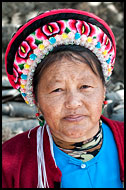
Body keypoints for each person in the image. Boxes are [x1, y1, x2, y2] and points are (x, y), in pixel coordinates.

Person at [2, 9, 124, 188]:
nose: (73, 102)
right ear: (36, 101)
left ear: (104, 90)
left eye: (85, 87)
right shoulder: (10, 163)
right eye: (57, 90)